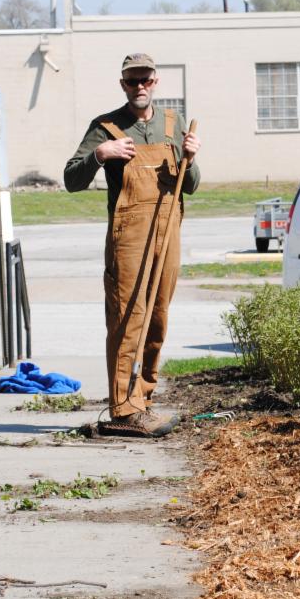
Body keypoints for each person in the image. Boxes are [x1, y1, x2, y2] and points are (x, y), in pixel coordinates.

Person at [63, 53, 200, 437]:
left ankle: (144, 399)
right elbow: (71, 179)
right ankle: (124, 409)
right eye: (132, 81)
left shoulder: (173, 124)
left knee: (157, 317)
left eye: (146, 80)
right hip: (129, 237)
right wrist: (99, 155)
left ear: (156, 81)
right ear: (122, 84)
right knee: (128, 318)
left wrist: (190, 158)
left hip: (168, 232)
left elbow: (190, 185)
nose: (140, 86)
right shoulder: (106, 127)